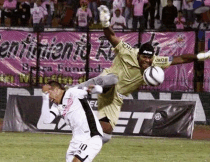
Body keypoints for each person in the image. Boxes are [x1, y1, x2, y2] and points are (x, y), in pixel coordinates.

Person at [77, 4, 210, 144]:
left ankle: (85, 127)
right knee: (111, 79)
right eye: (144, 57)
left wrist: (201, 56)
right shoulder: (128, 51)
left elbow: (181, 58)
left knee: (106, 133)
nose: (147, 60)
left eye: (149, 58)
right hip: (108, 81)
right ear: (138, 54)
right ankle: (78, 91)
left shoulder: (156, 61)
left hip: (116, 97)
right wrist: (105, 23)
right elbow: (111, 36)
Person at [39, 81, 103, 162]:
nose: (49, 97)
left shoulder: (73, 93)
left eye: (49, 93)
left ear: (56, 89)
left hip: (91, 137)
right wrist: (45, 98)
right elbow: (45, 120)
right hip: (76, 140)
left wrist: (95, 88)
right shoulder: (57, 106)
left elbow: (97, 90)